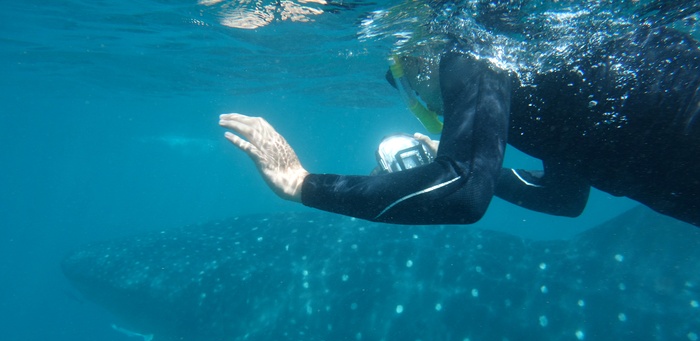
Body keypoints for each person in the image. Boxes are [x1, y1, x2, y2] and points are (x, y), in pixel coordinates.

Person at [219, 9, 700, 227]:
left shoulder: (467, 43)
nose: (407, 91)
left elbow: (463, 194)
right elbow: (563, 197)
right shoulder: (546, 85)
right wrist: (464, 162)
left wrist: (301, 183)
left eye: (400, 75)